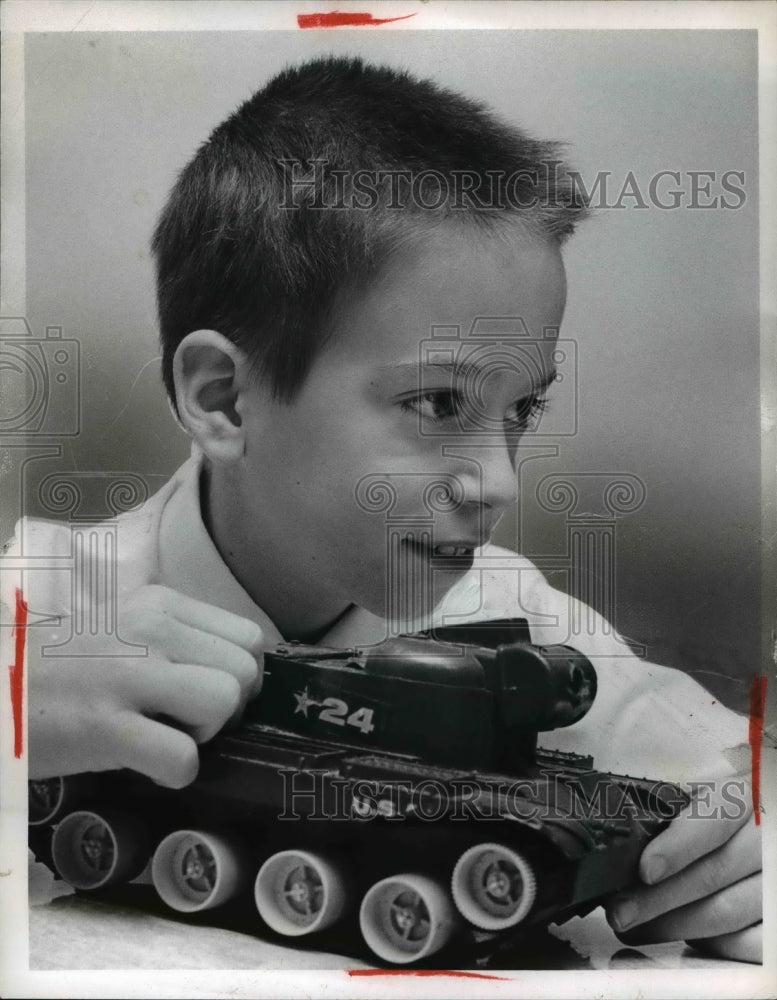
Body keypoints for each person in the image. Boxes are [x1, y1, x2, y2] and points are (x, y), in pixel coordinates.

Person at [2, 56, 761, 962]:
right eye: (438, 404)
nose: (499, 481)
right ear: (225, 401)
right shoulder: (37, 622)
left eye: (521, 411)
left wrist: (750, 842)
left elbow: (735, 777)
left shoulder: (524, 641)